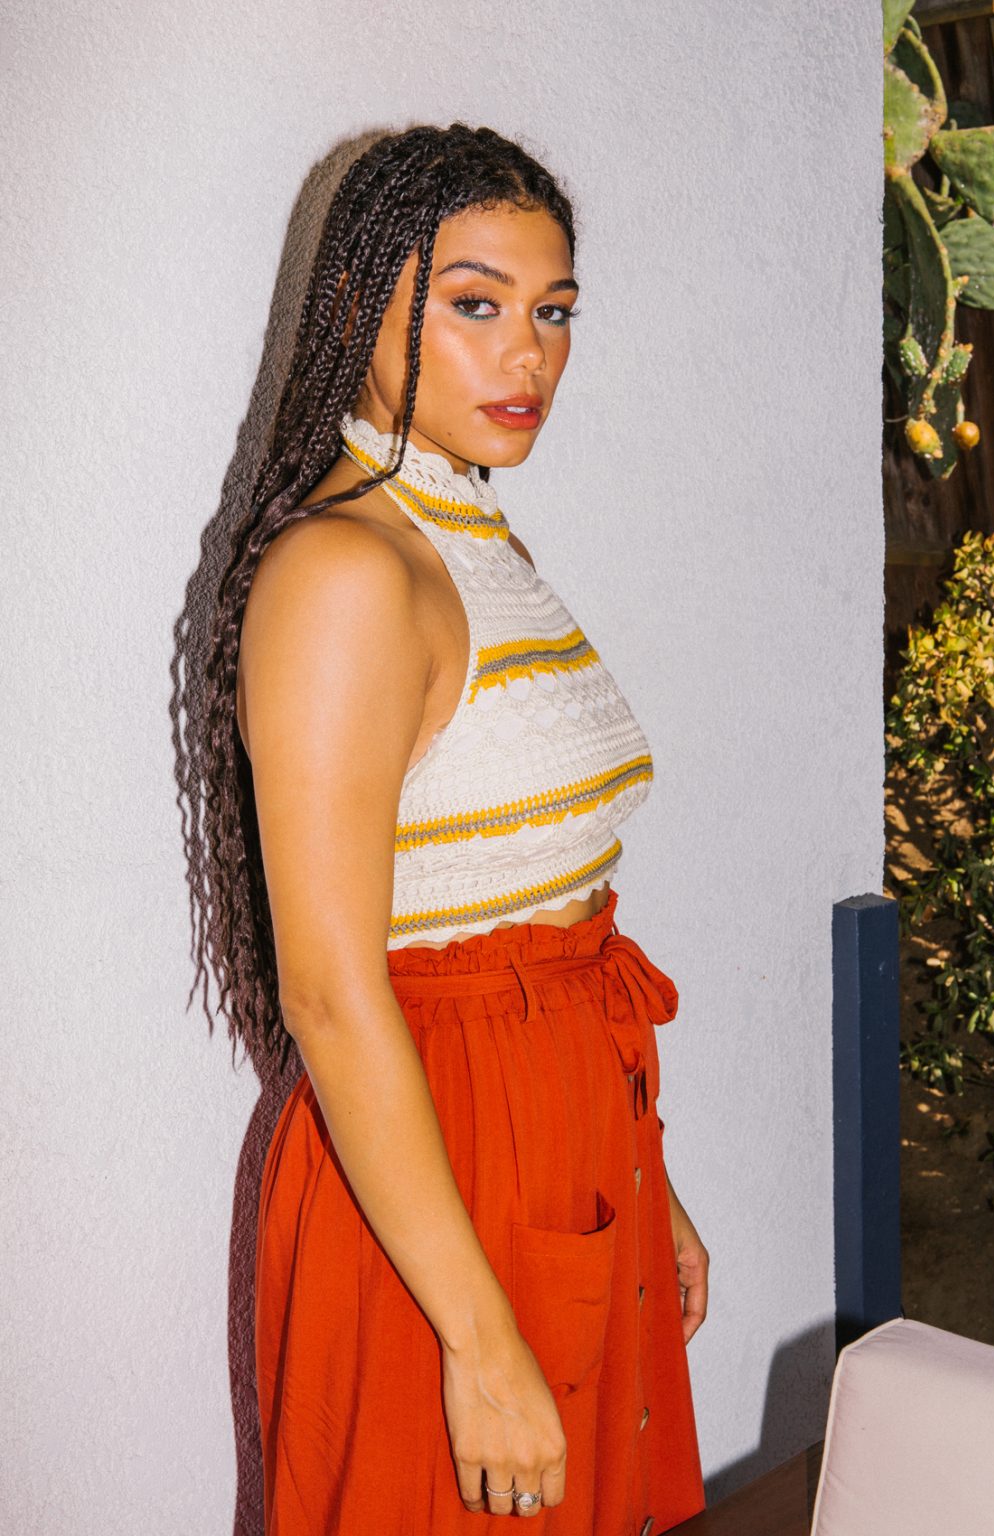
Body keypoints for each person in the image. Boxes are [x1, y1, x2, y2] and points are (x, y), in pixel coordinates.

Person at [194, 122, 708, 1533]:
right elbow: (329, 992)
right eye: (476, 305)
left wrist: (646, 1179)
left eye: (555, 313)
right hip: (439, 1177)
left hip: (558, 1136)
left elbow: (537, 906)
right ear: (360, 307)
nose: (527, 355)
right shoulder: (345, 571)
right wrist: (479, 1347)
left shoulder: (468, 536)